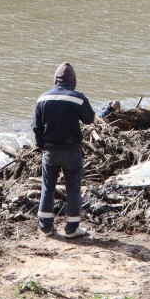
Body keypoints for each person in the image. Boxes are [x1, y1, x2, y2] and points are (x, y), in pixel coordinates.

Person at [32, 62, 95, 238]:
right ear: (73, 81)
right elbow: (89, 119)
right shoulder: (78, 98)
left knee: (47, 189)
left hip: (50, 151)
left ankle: (45, 228)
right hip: (72, 152)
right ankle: (72, 229)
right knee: (73, 189)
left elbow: (36, 126)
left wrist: (42, 144)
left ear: (55, 80)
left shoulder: (42, 98)